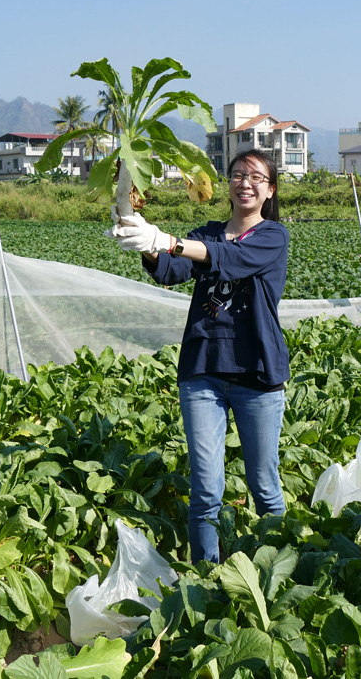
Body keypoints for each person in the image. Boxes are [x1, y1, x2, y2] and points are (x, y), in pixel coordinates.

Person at [107, 149, 289, 564]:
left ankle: (278, 570)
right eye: (238, 174)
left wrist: (167, 240)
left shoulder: (273, 236)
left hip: (256, 373)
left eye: (256, 177)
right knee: (206, 489)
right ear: (227, 184)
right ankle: (205, 577)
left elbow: (233, 260)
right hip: (203, 370)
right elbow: (173, 271)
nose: (245, 182)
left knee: (264, 485)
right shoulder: (205, 234)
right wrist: (146, 244)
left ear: (270, 190)